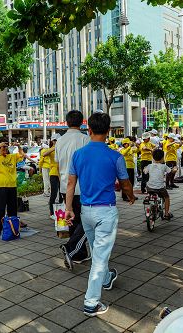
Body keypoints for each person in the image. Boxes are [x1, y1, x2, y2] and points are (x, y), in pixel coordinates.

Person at [65, 112, 135, 316]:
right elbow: (125, 183)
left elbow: (70, 183)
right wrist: (130, 196)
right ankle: (91, 302)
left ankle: (106, 279)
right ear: (109, 131)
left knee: (97, 250)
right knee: (100, 258)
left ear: (89, 130)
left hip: (85, 211)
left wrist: (69, 209)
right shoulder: (115, 156)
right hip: (106, 212)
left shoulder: (78, 155)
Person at [56, 110, 90, 270]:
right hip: (82, 187)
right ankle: (74, 249)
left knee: (71, 218)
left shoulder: (59, 141)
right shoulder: (85, 139)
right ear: (82, 122)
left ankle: (78, 251)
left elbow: (57, 163)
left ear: (67, 122)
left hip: (65, 186)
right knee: (84, 220)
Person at [0, 138, 24, 234]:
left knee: (12, 209)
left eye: (5, 147)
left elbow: (22, 155)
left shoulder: (12, 156)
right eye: (2, 147)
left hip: (12, 186)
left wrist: (18, 146)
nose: (4, 149)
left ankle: (12, 228)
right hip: (0, 186)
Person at [143, 149, 175, 220]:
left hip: (150, 187)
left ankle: (149, 197)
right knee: (166, 197)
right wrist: (174, 169)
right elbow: (171, 171)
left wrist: (145, 169)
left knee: (149, 189)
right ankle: (166, 214)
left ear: (153, 157)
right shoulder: (164, 166)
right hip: (160, 188)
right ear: (162, 158)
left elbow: (145, 172)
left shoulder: (149, 166)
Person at [42, 137, 63, 218]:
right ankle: (51, 213)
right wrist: (54, 147)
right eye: (55, 140)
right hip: (54, 173)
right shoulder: (51, 149)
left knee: (62, 193)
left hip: (61, 173)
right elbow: (44, 154)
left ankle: (61, 211)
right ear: (53, 141)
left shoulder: (61, 149)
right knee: (54, 194)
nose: (57, 142)